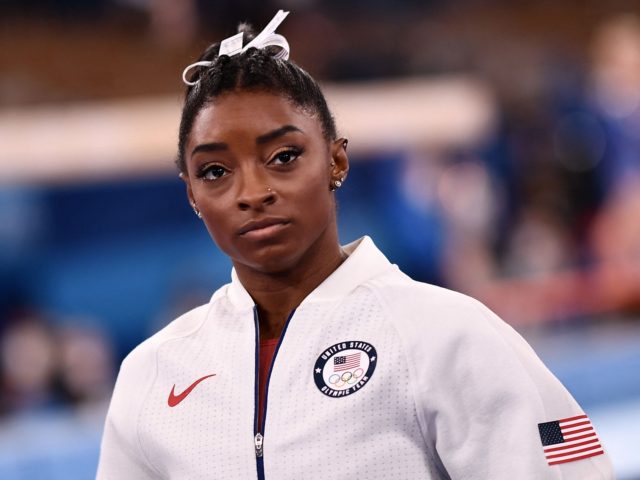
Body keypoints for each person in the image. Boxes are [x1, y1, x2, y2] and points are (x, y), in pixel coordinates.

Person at [97, 11, 614, 479]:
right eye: (215, 171)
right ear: (191, 193)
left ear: (336, 161)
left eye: (282, 157)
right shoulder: (153, 374)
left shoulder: (447, 336)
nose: (253, 193)